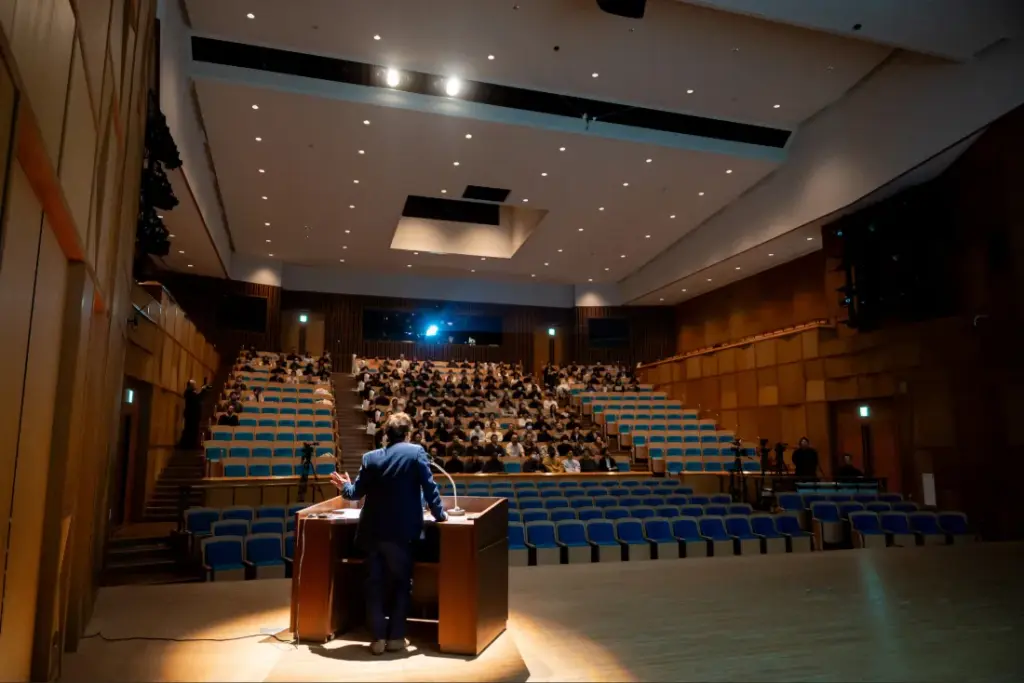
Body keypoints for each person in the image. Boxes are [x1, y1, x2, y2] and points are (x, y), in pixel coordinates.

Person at [330, 412, 446, 656]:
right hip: (402, 534)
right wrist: (440, 515)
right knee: (402, 584)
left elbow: (354, 493)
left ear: (385, 435)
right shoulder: (416, 453)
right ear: (408, 433)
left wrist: (344, 486)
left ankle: (378, 639)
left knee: (374, 585)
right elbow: (430, 487)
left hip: (372, 533)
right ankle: (396, 637)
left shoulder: (370, 458)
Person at [178, 378, 211, 448]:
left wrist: (203, 390)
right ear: (190, 385)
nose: (195, 385)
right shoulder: (189, 393)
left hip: (194, 416)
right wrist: (203, 390)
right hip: (191, 416)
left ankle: (190, 445)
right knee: (191, 431)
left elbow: (199, 398)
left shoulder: (192, 393)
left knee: (193, 431)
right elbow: (198, 398)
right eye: (193, 384)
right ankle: (189, 446)